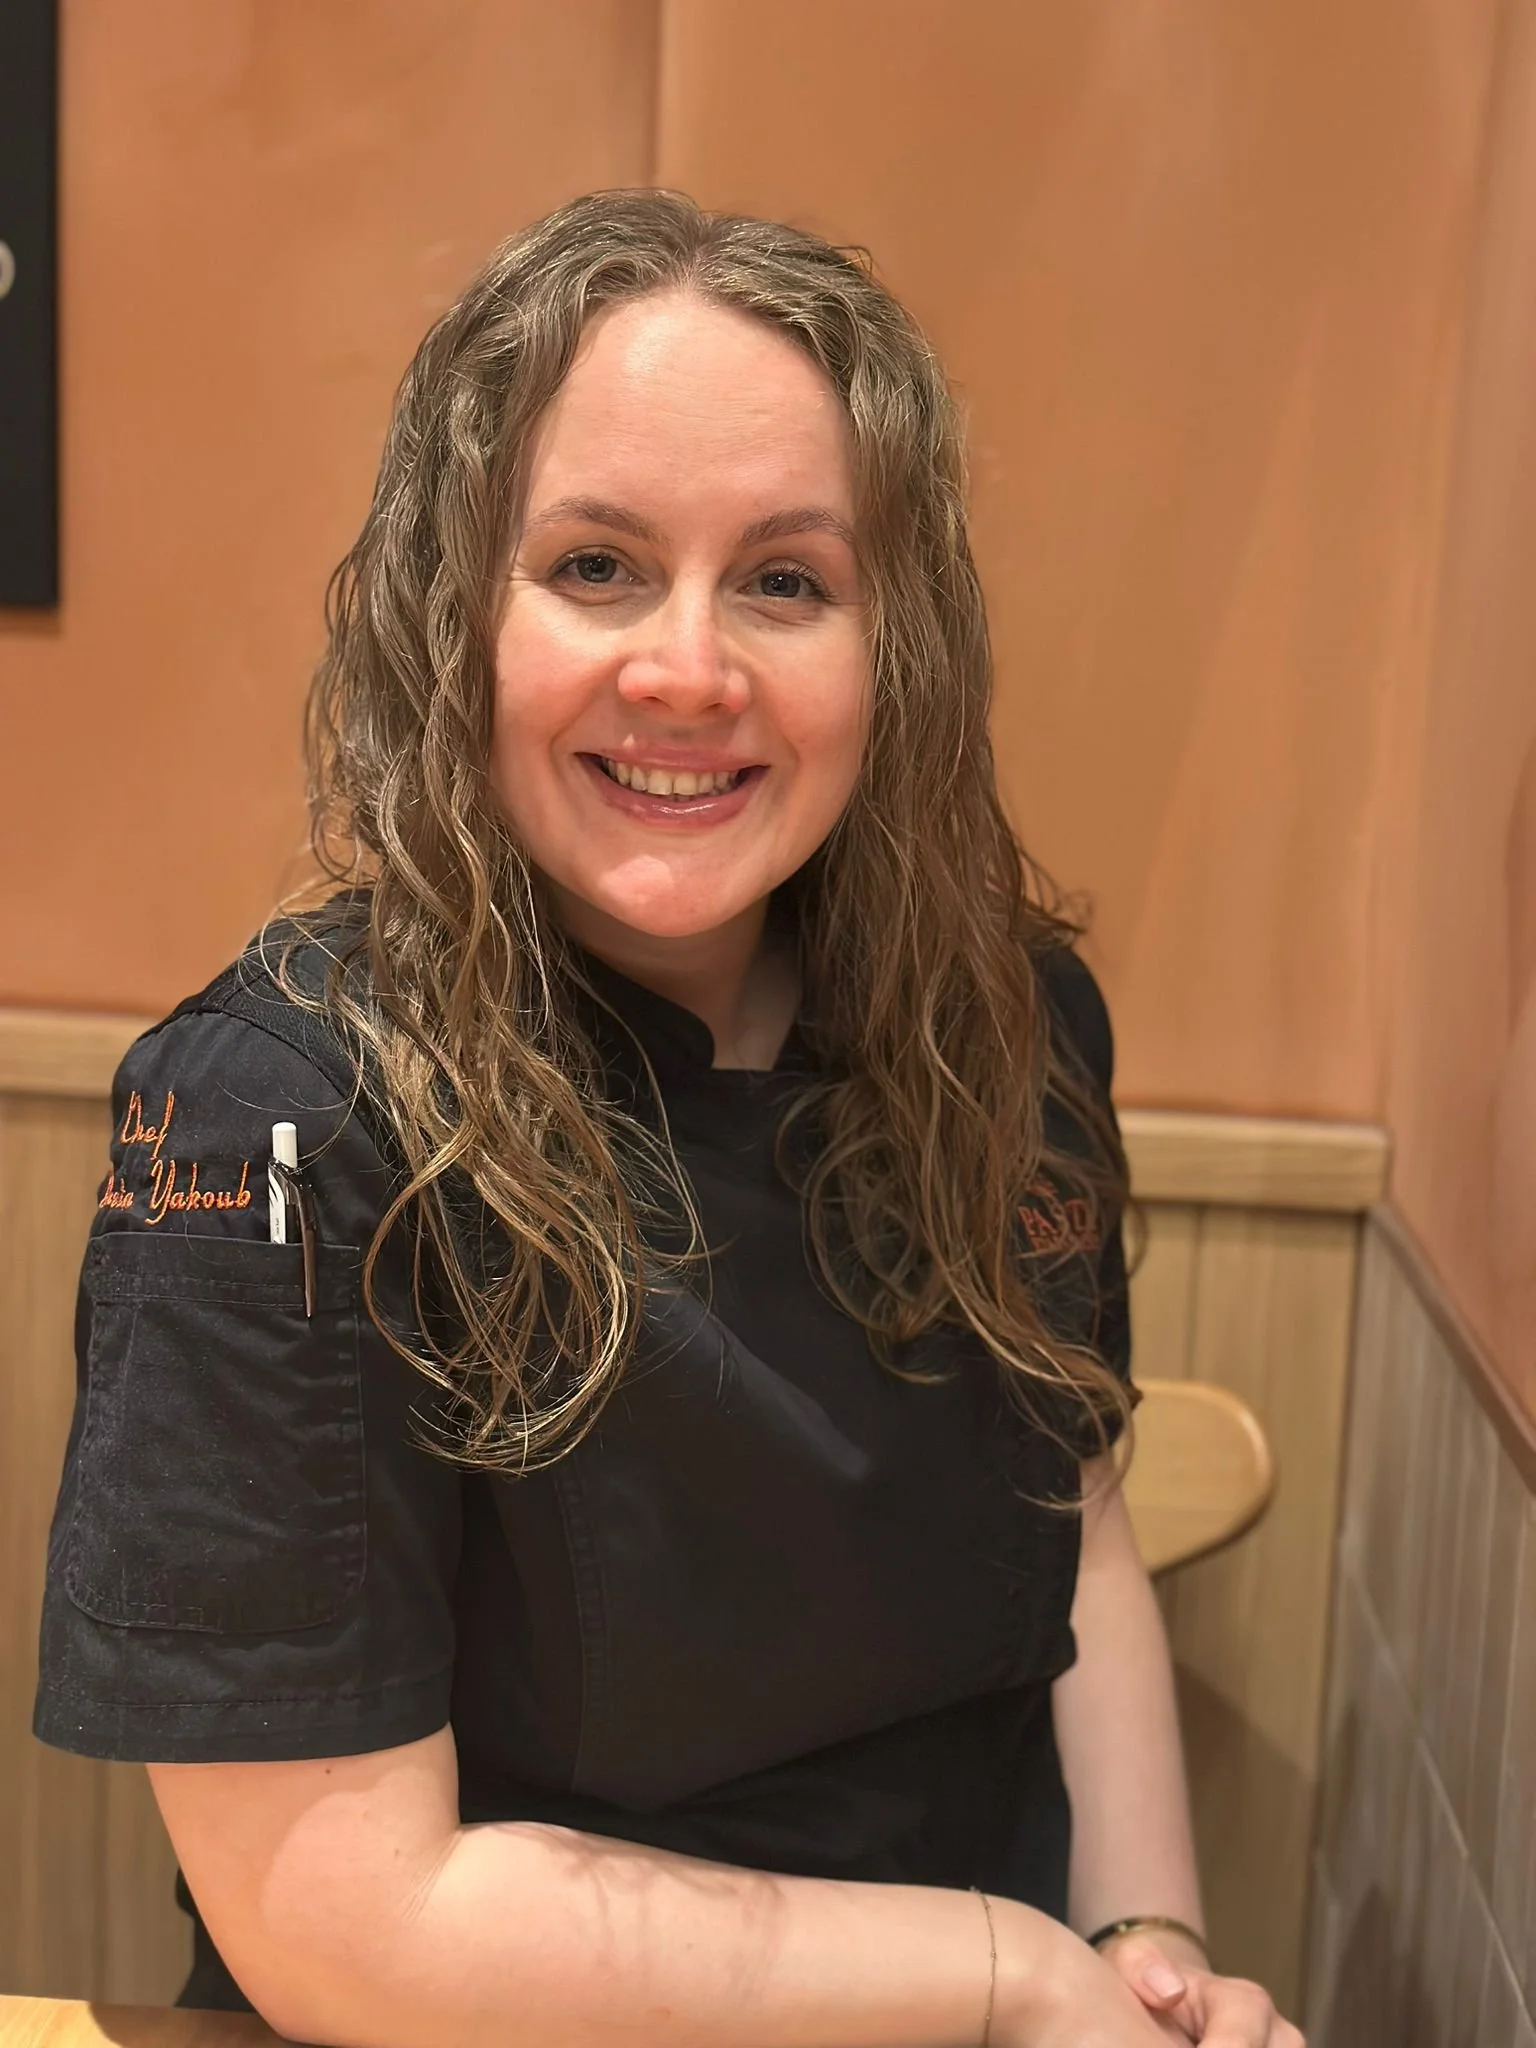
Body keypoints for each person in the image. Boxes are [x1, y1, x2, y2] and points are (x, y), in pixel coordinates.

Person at [35, 191, 1301, 2048]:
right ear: (453, 611)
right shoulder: (279, 1117)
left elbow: (1076, 1500)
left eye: (786, 579)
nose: (690, 671)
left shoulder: (1011, 1027)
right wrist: (1013, 1977)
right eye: (599, 566)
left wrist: (1140, 1936)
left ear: (898, 648)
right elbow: (345, 1931)